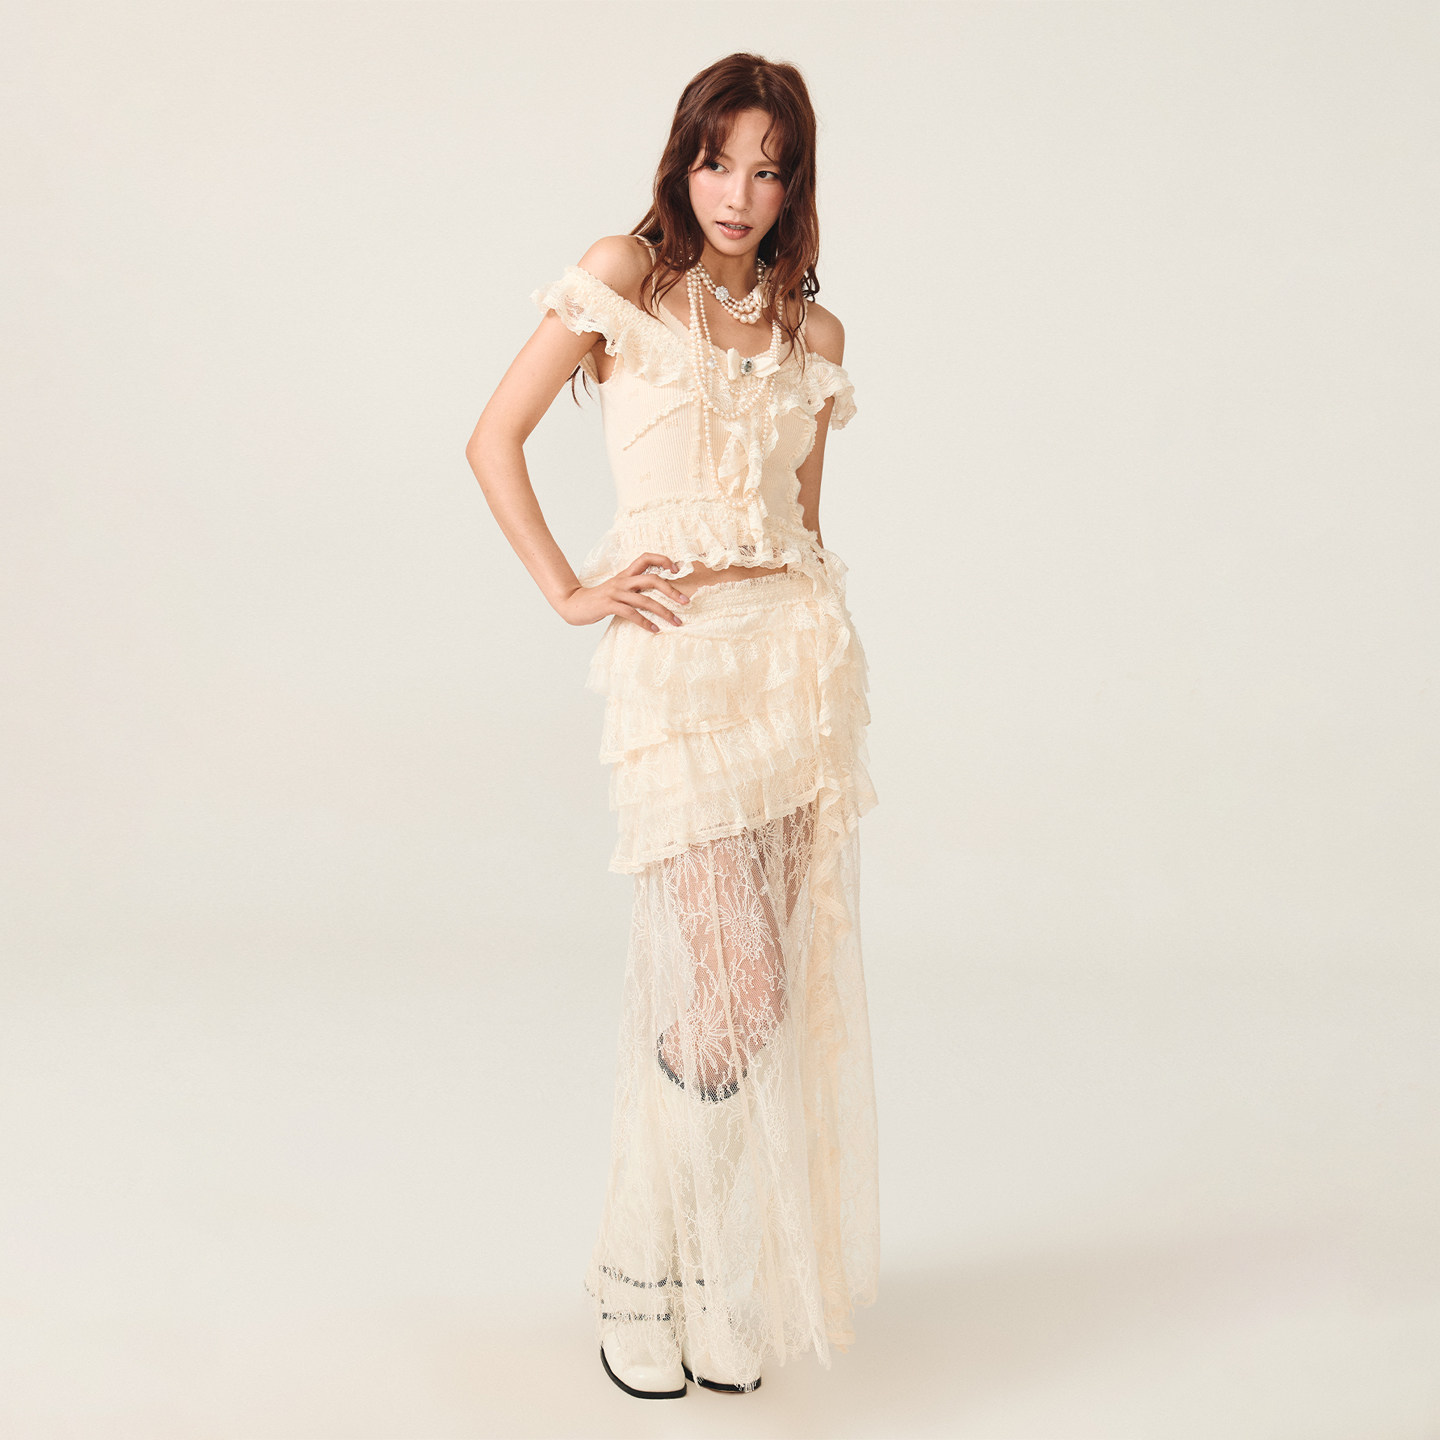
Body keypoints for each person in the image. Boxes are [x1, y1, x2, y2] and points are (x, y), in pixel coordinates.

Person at [465, 52, 879, 1400]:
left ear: (794, 186)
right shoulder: (624, 279)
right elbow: (493, 439)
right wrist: (571, 590)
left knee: (753, 1005)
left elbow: (803, 522)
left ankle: (695, 1278)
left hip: (793, 663)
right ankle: (642, 1275)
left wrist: (816, 644)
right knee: (722, 986)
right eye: (718, 161)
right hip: (680, 662)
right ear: (682, 159)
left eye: (768, 169)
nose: (738, 192)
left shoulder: (813, 337)